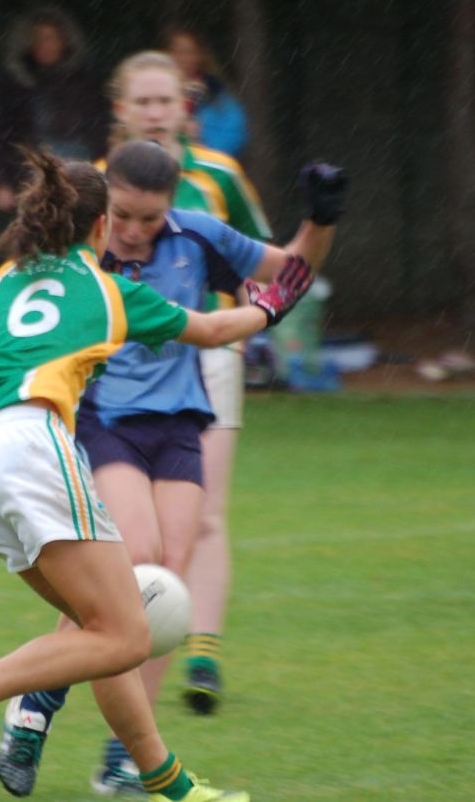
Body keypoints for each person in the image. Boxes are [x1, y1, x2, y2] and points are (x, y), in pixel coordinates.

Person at [0, 147, 315, 801]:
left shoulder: (0, 281)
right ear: (98, 229)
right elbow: (211, 329)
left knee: (102, 630)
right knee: (127, 632)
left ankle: (169, 784)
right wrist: (269, 309)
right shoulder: (107, 288)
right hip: (33, 444)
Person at [108, 50, 270, 717]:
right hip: (119, 372)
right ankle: (120, 645)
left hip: (206, 355)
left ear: (185, 107)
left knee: (203, 516)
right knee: (130, 532)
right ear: (120, 110)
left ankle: (201, 652)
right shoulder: (99, 185)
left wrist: (245, 324)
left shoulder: (217, 177)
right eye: (141, 101)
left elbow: (264, 260)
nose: (154, 112)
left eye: (165, 100)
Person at [0, 6, 110, 212]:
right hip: (35, 177)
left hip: (84, 173)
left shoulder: (85, 83)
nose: (44, 45)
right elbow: (5, 137)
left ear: (64, 41)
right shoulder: (18, 88)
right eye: (38, 39)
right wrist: (1, 182)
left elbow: (100, 130)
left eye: (50, 38)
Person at [162, 27, 249, 159]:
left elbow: (232, 136)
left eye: (188, 52)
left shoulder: (216, 96)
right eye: (176, 51)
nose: (182, 58)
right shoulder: (153, 93)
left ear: (200, 56)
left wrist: (199, 145)